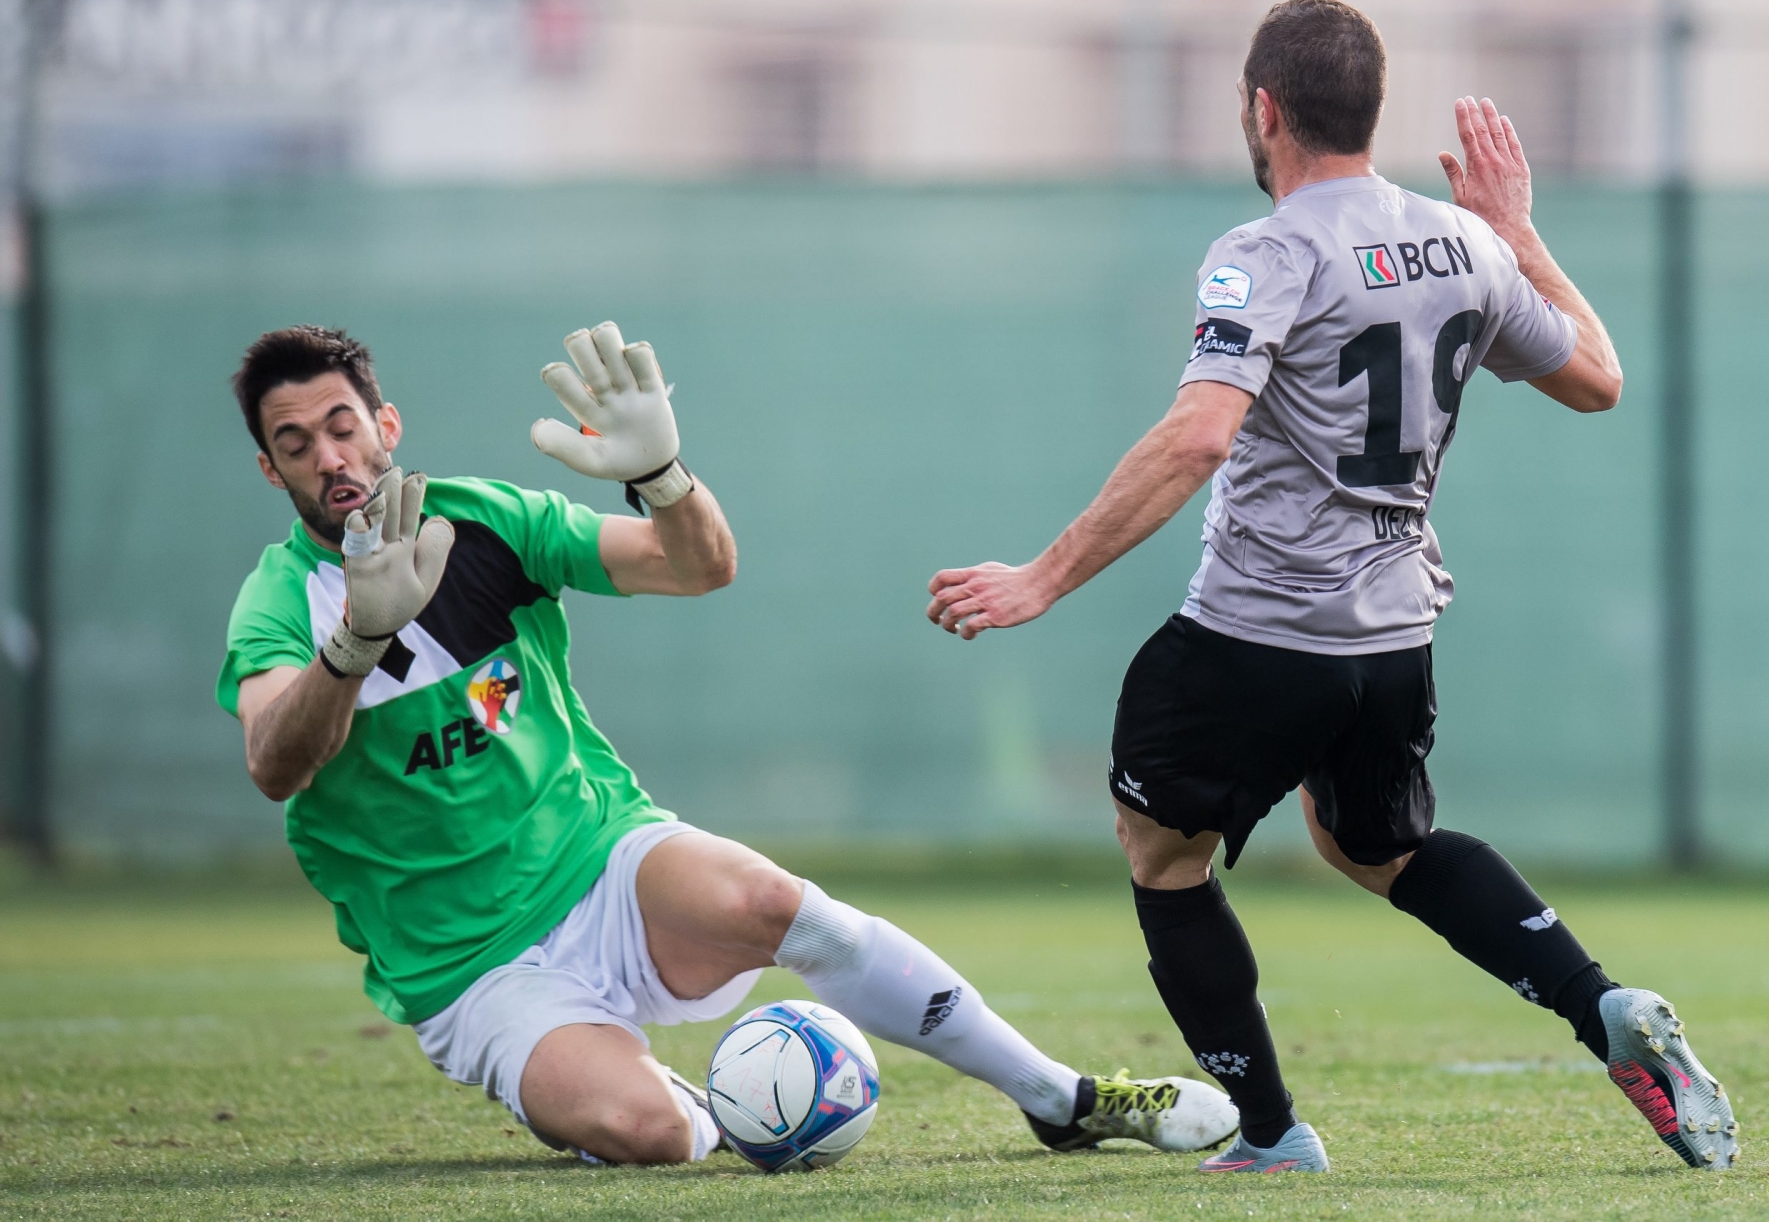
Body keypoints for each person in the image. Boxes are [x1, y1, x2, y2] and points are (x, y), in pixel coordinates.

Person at [924, 0, 1738, 1174]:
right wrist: (1518, 234)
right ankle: (1599, 1005)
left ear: (1263, 110)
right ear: (1372, 108)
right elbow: (1597, 379)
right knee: (1374, 847)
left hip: (1256, 631)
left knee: (1162, 853)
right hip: (1390, 639)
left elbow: (1200, 435)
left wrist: (1041, 578)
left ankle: (1269, 1135)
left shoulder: (1265, 251)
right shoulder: (1463, 245)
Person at [218, 320, 1238, 1165]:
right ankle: (659, 1099)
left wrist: (661, 474)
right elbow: (276, 765)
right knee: (647, 1134)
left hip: (593, 857)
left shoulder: (484, 521)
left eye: (341, 426)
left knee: (783, 907)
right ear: (271, 469)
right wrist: (355, 643)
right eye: (296, 442)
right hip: (467, 965)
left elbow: (696, 566)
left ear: (385, 425)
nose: (329, 457)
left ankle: (1060, 1097)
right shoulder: (276, 604)